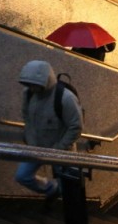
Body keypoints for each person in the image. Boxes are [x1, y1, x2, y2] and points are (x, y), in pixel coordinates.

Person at [15, 60, 83, 204]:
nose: (31, 88)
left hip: (62, 150)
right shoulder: (28, 93)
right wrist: (29, 136)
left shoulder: (66, 98)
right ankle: (52, 189)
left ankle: (70, 218)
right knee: (23, 176)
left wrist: (58, 148)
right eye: (28, 84)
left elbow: (75, 126)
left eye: (34, 84)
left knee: (70, 187)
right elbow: (27, 116)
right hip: (37, 146)